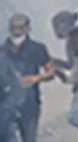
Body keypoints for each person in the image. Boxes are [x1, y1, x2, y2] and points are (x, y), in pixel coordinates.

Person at [2, 14, 51, 142]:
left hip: (30, 104)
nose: (17, 32)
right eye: (14, 28)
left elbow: (51, 72)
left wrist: (37, 78)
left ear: (28, 29)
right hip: (5, 105)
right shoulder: (3, 50)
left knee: (29, 138)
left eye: (20, 28)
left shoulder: (37, 48)